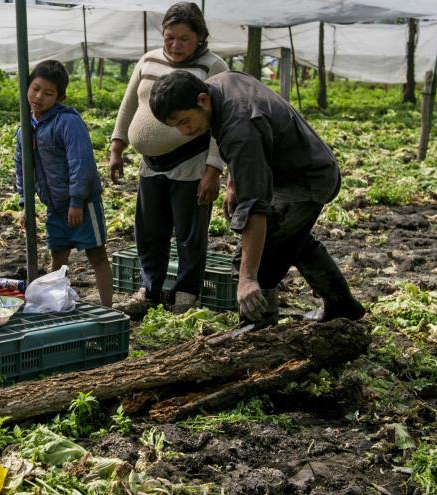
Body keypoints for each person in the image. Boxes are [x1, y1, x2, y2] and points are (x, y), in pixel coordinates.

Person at [148, 70, 366, 325]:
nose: (184, 131)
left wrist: (248, 278)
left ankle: (259, 332)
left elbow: (254, 206)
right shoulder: (219, 84)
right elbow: (247, 151)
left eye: (185, 121)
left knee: (257, 261)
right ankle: (342, 306)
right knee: (292, 241)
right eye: (176, 126)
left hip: (304, 180)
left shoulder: (240, 127)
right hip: (298, 166)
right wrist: (234, 181)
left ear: (202, 100)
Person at [108, 2, 228, 313]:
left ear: (200, 37)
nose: (175, 45)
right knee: (150, 231)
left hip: (191, 163)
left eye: (184, 39)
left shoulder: (213, 67)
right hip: (151, 165)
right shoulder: (148, 60)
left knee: (189, 233)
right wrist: (117, 146)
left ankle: (186, 293)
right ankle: (150, 291)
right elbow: (129, 104)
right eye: (169, 38)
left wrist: (213, 169)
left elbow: (220, 121)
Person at [15, 60, 113, 307]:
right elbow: (22, 167)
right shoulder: (25, 128)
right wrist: (25, 203)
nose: (39, 97)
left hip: (82, 203)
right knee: (58, 256)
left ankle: (108, 308)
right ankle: (55, 305)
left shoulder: (67, 122)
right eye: (35, 89)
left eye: (48, 93)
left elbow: (81, 162)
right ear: (27, 86)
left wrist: (77, 201)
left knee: (97, 255)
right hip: (54, 205)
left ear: (60, 97)